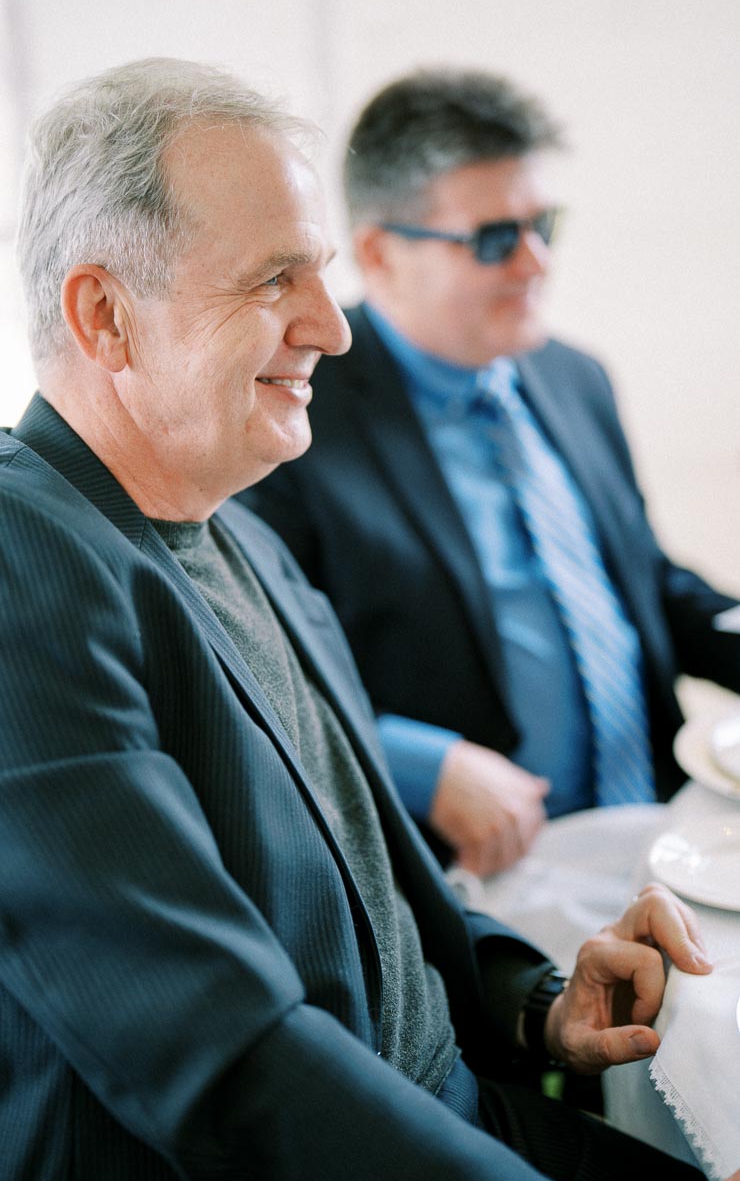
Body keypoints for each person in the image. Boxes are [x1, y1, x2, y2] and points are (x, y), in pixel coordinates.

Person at [0, 57, 737, 1181]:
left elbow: (370, 882)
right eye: (277, 279)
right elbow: (214, 1055)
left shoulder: (230, 524)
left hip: (428, 1137)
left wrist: (537, 1004)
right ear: (104, 315)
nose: (337, 324)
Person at [242, 68, 740, 877]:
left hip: (660, 836)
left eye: (543, 224)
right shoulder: (292, 417)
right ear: (379, 253)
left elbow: (644, 585)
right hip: (466, 879)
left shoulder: (575, 377)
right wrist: (417, 761)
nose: (536, 262)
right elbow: (260, 674)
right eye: (495, 238)